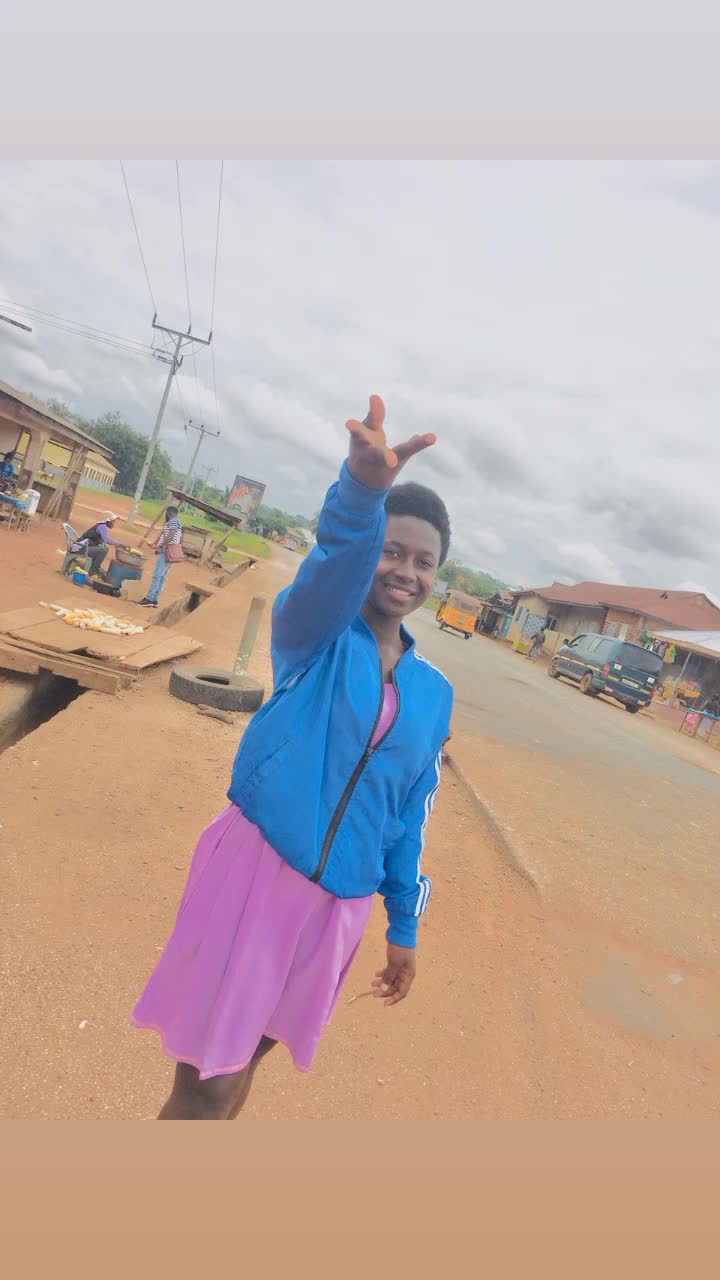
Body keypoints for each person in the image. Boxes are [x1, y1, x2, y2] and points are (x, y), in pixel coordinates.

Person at [132, 394, 453, 1120]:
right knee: (207, 1081)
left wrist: (402, 925)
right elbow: (334, 564)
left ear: (438, 576)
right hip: (260, 876)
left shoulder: (434, 693)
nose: (404, 571)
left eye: (423, 561)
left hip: (337, 908)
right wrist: (363, 495)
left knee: (246, 1065)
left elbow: (408, 815)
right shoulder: (315, 633)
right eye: (391, 551)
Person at [139, 506, 183, 608]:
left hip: (166, 551)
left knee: (157, 576)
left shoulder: (173, 521)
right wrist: (157, 545)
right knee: (162, 577)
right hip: (170, 552)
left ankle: (149, 598)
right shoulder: (178, 522)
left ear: (168, 513)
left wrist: (161, 546)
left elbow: (171, 535)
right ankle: (155, 600)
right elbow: (178, 539)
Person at [65, 511, 129, 577]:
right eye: (113, 521)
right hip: (80, 549)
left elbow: (104, 540)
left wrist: (114, 544)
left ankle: (94, 568)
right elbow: (107, 539)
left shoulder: (101, 526)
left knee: (103, 549)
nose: (114, 523)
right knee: (103, 550)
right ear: (108, 521)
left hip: (82, 547)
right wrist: (119, 544)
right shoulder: (102, 527)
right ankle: (93, 571)